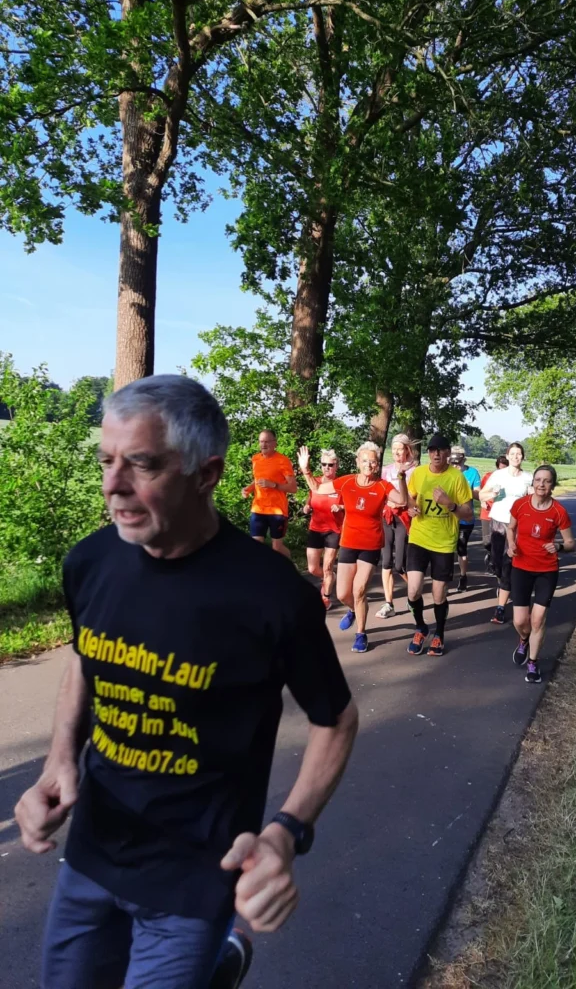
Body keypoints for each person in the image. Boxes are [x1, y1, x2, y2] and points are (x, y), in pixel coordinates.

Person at [15, 375, 359, 989]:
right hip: (93, 851)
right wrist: (59, 761)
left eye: (142, 465)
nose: (112, 486)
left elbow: (336, 719)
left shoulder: (273, 596)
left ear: (207, 474)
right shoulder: (90, 562)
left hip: (196, 875)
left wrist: (287, 831)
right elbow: (84, 659)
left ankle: (211, 960)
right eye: (106, 461)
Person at [298, 442, 407, 654]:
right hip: (348, 543)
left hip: (371, 545)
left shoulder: (383, 486)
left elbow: (402, 500)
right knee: (342, 593)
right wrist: (305, 469)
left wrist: (401, 479)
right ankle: (354, 609)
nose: (369, 464)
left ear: (377, 465)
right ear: (357, 462)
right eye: (364, 460)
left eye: (373, 461)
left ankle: (361, 634)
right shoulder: (347, 482)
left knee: (359, 590)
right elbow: (318, 488)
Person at [507, 464, 576, 683]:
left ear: (552, 485)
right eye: (538, 480)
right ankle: (523, 640)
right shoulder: (520, 505)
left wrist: (559, 546)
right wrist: (511, 546)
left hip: (547, 570)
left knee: (537, 620)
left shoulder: (559, 512)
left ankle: (533, 664)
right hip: (521, 567)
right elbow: (511, 528)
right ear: (533, 482)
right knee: (520, 620)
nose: (541, 484)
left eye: (546, 481)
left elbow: (571, 543)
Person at [405, 435, 473, 657]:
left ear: (447, 454)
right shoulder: (419, 474)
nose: (436, 454)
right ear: (428, 453)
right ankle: (420, 627)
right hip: (419, 538)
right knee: (413, 590)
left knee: (438, 595)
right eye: (432, 450)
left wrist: (449, 504)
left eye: (440, 450)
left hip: (443, 543)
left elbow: (469, 512)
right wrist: (411, 508)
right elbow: (410, 499)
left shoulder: (456, 478)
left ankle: (439, 634)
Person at [479, 442, 533, 625]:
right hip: (497, 522)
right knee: (497, 563)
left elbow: (533, 500)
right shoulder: (498, 475)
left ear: (522, 457)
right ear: (507, 456)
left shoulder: (528, 478)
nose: (516, 457)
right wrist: (492, 493)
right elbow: (481, 496)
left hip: (517, 525)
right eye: (513, 454)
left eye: (519, 454)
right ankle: (503, 582)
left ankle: (500, 607)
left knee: (509, 564)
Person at [376, 434, 418, 618]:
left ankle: (413, 593)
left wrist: (404, 504)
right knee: (386, 562)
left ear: (407, 450)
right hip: (387, 517)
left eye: (399, 449)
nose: (396, 453)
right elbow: (382, 492)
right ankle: (388, 604)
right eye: (393, 450)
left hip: (404, 519)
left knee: (399, 565)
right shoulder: (386, 470)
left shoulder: (415, 470)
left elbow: (415, 496)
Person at [242, 429, 297, 559]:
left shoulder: (283, 461)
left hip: (277, 511)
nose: (263, 444)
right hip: (258, 508)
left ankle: (290, 568)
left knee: (277, 548)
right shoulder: (256, 459)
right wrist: (248, 489)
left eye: (267, 441)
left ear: (274, 443)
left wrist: (274, 485)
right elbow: (257, 480)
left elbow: (293, 488)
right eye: (261, 441)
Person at [302, 448, 344, 610]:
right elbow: (310, 498)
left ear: (336, 466)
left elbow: (350, 505)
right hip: (316, 529)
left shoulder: (341, 485)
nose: (327, 467)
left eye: (330, 465)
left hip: (333, 530)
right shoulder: (315, 482)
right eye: (324, 464)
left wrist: (340, 507)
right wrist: (306, 506)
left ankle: (326, 597)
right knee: (313, 568)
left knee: (327, 566)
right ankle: (330, 577)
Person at [449, 447, 482, 592]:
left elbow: (478, 495)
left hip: (465, 517)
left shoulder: (472, 473)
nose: (456, 466)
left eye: (458, 463)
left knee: (461, 547)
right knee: (447, 548)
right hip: (447, 517)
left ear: (464, 460)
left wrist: (465, 488)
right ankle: (446, 577)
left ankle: (463, 576)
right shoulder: (446, 472)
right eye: (453, 463)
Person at [480, 455, 509, 573]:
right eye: (500, 469)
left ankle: (496, 565)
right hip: (487, 512)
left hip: (502, 514)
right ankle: (490, 554)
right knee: (487, 542)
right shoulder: (489, 476)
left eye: (505, 469)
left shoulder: (511, 479)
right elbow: (481, 492)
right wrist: (482, 501)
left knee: (501, 543)